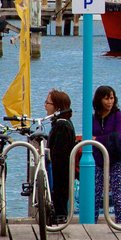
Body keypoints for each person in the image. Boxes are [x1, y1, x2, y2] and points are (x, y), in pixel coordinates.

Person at [92, 85, 121, 224]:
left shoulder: (119, 115)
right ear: (99, 100)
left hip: (117, 157)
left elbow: (116, 136)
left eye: (112, 98)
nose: (110, 102)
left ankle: (120, 223)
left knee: (117, 194)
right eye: (106, 98)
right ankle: (91, 222)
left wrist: (97, 139)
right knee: (96, 193)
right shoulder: (94, 117)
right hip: (99, 158)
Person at [45, 89, 75, 224]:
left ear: (57, 106)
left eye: (48, 102)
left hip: (60, 173)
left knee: (59, 196)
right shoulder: (63, 123)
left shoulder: (61, 125)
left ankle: (59, 217)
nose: (45, 105)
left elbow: (60, 155)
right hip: (61, 172)